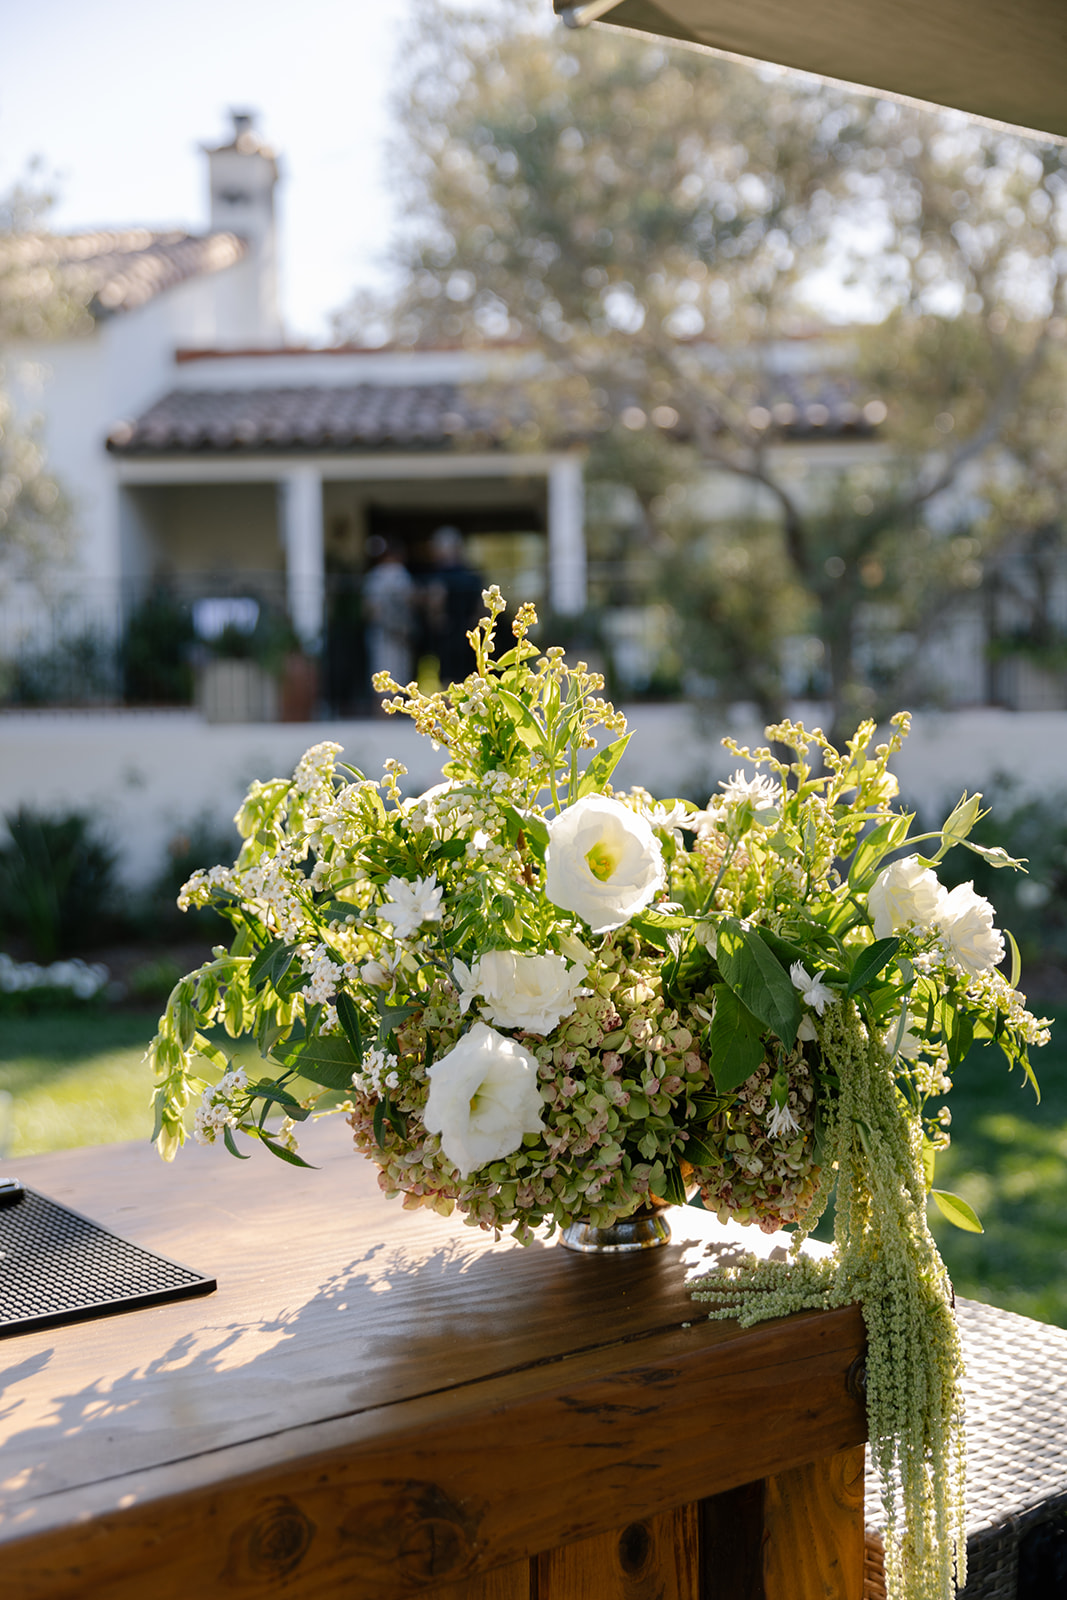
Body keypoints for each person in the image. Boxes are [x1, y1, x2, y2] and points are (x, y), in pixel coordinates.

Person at [421, 526, 484, 685]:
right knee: (471, 679)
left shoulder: (440, 576)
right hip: (471, 636)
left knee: (449, 681)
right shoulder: (472, 575)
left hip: (449, 635)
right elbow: (482, 608)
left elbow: (436, 602)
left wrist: (435, 620)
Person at [362, 539, 415, 688]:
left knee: (390, 681)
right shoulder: (390, 574)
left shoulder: (384, 575)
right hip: (387, 633)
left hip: (393, 634)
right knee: (388, 681)